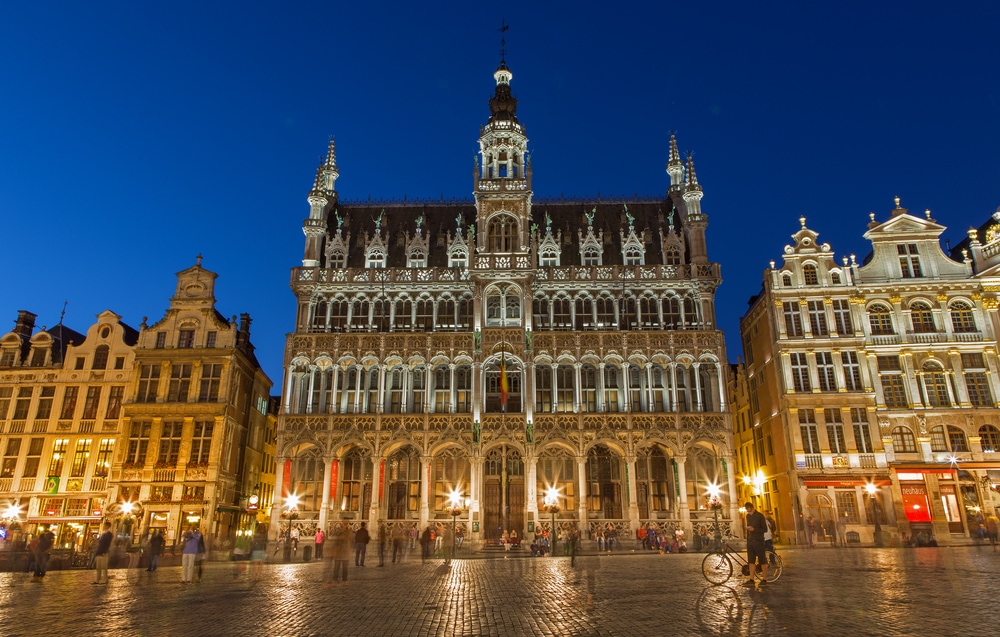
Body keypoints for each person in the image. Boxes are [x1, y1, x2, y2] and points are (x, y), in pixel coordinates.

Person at [743, 502, 768, 587]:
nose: (747, 510)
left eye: (747, 508)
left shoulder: (760, 516)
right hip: (750, 541)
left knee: (762, 561)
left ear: (751, 507)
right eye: (746, 509)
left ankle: (764, 579)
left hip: (759, 541)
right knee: (751, 561)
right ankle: (751, 579)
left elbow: (765, 529)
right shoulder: (748, 516)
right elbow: (748, 528)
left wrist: (754, 529)